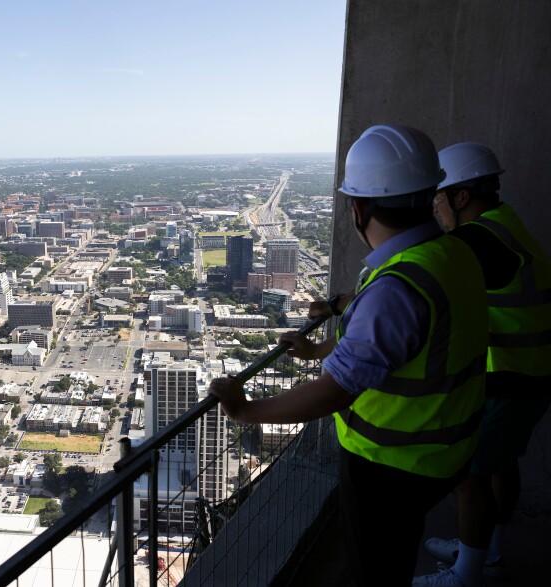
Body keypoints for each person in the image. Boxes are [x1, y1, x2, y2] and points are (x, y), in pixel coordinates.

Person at [208, 124, 488, 587]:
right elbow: (399, 346)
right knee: (396, 552)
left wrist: (244, 410)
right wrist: (319, 348)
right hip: (447, 448)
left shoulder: (396, 286)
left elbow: (331, 394)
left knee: (376, 572)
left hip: (392, 465)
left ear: (358, 207)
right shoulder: (452, 255)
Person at [411, 142, 551, 586]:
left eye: (439, 199)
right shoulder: (505, 226)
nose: (437, 210)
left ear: (461, 197)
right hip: (527, 370)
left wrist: (339, 303)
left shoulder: (478, 240)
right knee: (498, 465)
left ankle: (466, 574)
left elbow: (413, 286)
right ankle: (485, 548)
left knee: (470, 472)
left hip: (514, 374)